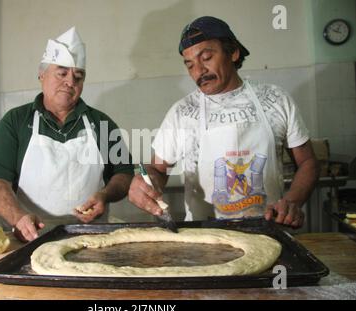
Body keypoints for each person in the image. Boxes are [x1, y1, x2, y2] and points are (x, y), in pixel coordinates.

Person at [128, 16, 319, 228]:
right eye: (190, 65)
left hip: (270, 229)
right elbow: (157, 169)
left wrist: (292, 202)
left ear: (233, 52)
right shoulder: (182, 113)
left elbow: (307, 162)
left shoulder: (275, 100)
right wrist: (146, 182)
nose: (199, 71)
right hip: (204, 238)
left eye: (206, 57)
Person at [0, 27, 134, 242]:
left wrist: (105, 195)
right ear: (41, 75)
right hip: (32, 239)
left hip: (92, 240)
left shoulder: (101, 123)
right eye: (62, 73)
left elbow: (124, 172)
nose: (70, 82)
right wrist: (18, 218)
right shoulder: (16, 122)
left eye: (78, 76)